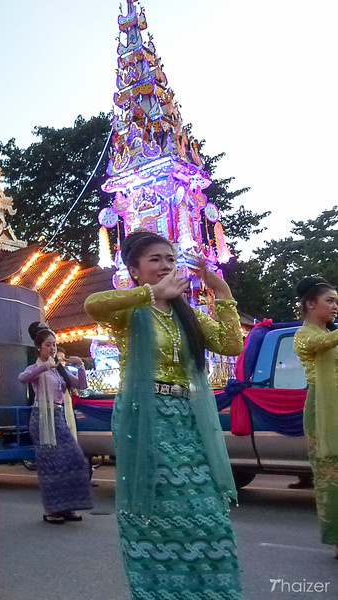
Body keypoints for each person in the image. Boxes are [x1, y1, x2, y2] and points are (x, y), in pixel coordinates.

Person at [84, 230, 244, 599]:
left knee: (206, 510)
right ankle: (158, 591)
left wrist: (222, 293)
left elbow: (231, 344)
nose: (166, 265)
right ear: (134, 270)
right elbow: (94, 304)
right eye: (155, 259)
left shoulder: (186, 315)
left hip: (187, 420)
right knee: (154, 509)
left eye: (170, 259)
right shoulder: (129, 311)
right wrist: (151, 295)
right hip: (145, 418)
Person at [18, 322, 93, 524]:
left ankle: (67, 505)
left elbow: (81, 385)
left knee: (70, 458)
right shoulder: (37, 368)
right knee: (50, 464)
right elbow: (22, 378)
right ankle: (52, 509)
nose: (52, 348)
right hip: (41, 416)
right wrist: (44, 366)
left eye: (54, 344)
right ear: (39, 347)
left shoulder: (58, 370)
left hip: (59, 416)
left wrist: (80, 366)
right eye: (48, 345)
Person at [293, 276, 338, 558]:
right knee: (330, 476)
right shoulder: (305, 335)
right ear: (310, 304)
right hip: (322, 410)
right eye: (330, 301)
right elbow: (322, 344)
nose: (335, 307)